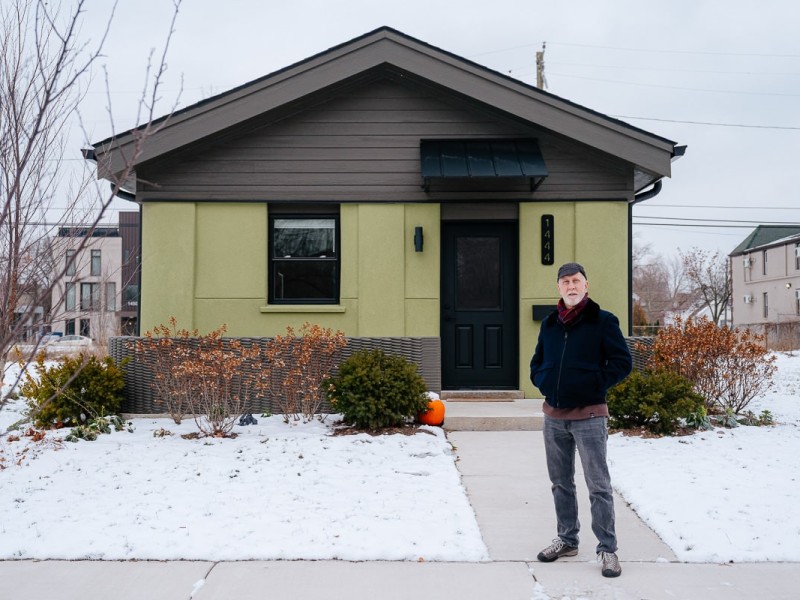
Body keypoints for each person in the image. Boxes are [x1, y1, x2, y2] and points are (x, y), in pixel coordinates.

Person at [529, 262, 632, 578]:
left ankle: (608, 550)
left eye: (576, 281)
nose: (571, 287)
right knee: (560, 482)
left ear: (586, 285)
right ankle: (567, 539)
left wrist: (592, 385)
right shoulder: (549, 324)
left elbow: (621, 363)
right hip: (554, 416)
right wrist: (543, 380)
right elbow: (537, 363)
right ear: (558, 287)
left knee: (598, 484)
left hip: (589, 415)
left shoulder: (603, 322)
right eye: (565, 282)